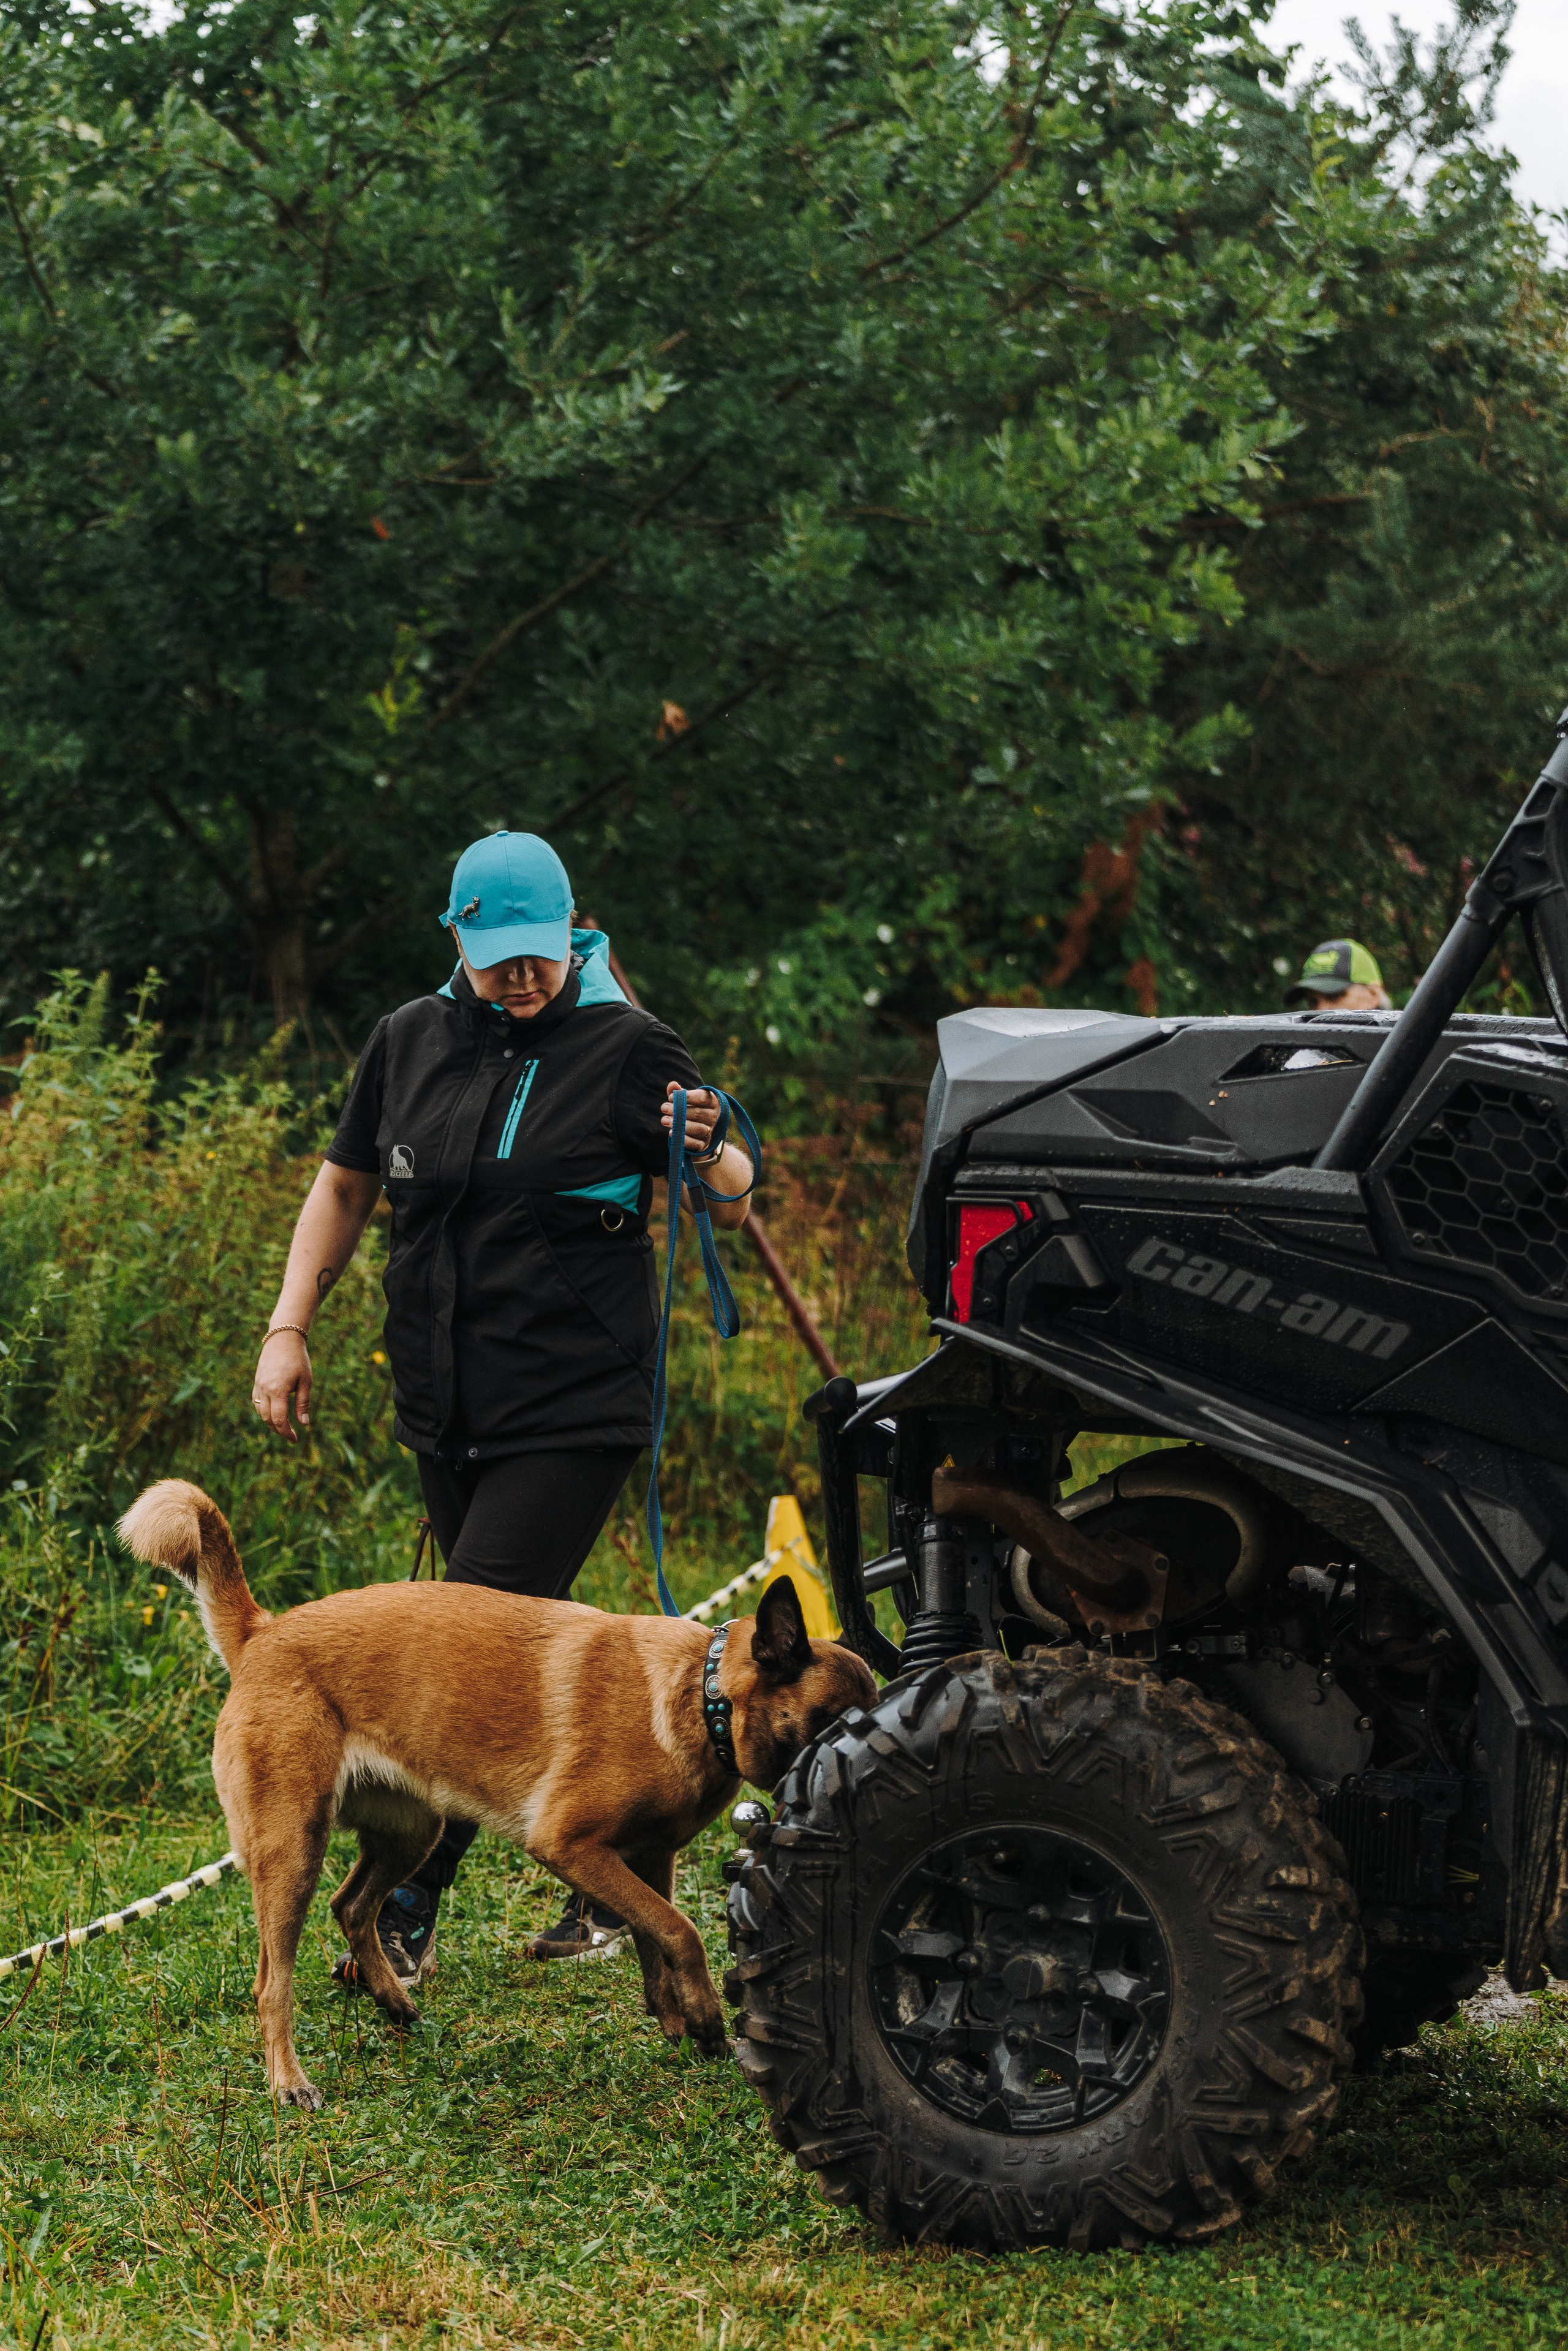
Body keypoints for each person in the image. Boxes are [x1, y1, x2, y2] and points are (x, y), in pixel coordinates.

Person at [249, 830, 755, 1985]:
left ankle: (411, 1900)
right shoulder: (407, 1039)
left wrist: (717, 1146)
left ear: (572, 933)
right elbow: (343, 1185)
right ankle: (608, 1838)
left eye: (538, 955)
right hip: (444, 1404)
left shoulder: (626, 1044)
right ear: (458, 942)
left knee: (467, 1638)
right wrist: (290, 1326)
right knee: (510, 1648)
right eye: (496, 958)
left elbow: (728, 1191)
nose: (520, 977)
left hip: (574, 1406)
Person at [1283, 938, 1393, 1013]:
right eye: (1313, 1002)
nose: (1321, 1010)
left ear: (1373, 995)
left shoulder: (1406, 1045)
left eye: (1334, 996)